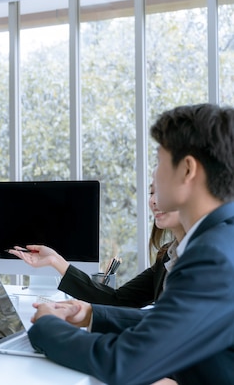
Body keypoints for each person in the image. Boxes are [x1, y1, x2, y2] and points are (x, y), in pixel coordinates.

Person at [27, 103, 234, 385]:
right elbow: (176, 324)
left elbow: (122, 364)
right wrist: (90, 314)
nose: (154, 179)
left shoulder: (213, 256)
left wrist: (47, 325)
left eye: (160, 162)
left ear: (187, 170)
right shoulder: (221, 241)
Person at [8, 185, 185, 307]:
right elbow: (118, 301)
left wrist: (88, 316)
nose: (153, 201)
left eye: (162, 191)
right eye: (151, 193)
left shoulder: (205, 258)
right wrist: (56, 261)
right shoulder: (167, 256)